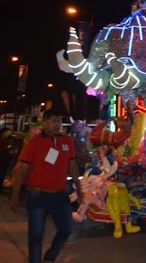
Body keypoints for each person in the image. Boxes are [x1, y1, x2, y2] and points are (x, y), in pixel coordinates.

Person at [11, 109, 83, 263]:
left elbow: (73, 166)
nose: (57, 124)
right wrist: (15, 196)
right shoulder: (34, 142)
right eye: (53, 121)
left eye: (58, 121)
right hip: (37, 195)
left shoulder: (67, 141)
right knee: (36, 235)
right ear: (45, 123)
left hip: (60, 194)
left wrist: (80, 188)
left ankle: (50, 256)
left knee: (66, 229)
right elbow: (22, 169)